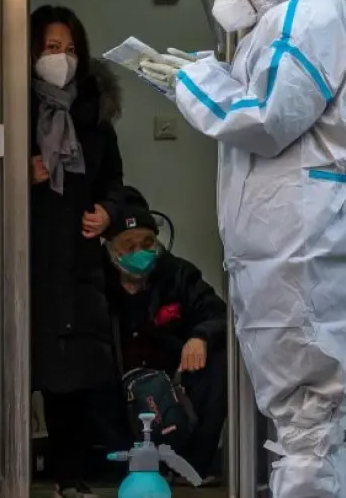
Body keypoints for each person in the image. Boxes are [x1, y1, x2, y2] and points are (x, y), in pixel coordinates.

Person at [135, 0, 346, 498]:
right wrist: (197, 78)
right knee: (307, 424)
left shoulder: (305, 18)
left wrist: (195, 84)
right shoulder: (281, 14)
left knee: (307, 419)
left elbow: (269, 119)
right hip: (291, 242)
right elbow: (265, 97)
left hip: (303, 243)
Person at [0, 5, 130, 498]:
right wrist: (14, 175)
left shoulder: (94, 114)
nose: (61, 58)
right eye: (51, 48)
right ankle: (3, 476)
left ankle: (70, 478)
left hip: (74, 266)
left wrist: (107, 213)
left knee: (71, 380)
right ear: (29, 53)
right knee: (11, 374)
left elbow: (114, 180)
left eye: (70, 49)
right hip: (16, 261)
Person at [101, 193, 227, 485]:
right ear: (111, 250)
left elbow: (217, 313)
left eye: (147, 243)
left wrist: (200, 337)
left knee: (220, 362)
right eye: (129, 246)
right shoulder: (97, 282)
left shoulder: (178, 274)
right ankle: (121, 466)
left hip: (173, 381)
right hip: (116, 385)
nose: (140, 252)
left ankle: (195, 465)